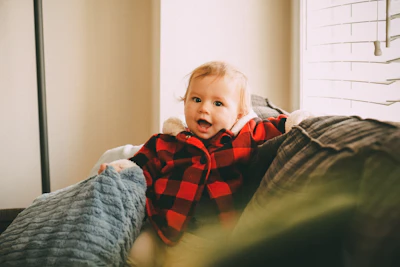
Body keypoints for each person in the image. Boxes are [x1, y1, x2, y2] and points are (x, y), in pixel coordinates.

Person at [99, 61, 287, 267]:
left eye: (218, 104)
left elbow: (278, 125)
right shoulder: (168, 142)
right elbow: (140, 166)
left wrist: (294, 121)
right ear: (185, 102)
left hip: (204, 238)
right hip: (161, 227)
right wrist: (121, 169)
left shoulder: (244, 137)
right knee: (129, 253)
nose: (204, 109)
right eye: (196, 99)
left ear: (239, 115)